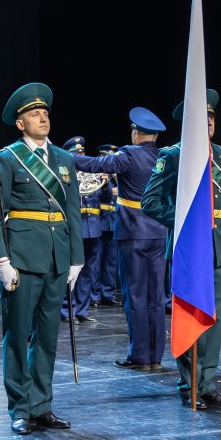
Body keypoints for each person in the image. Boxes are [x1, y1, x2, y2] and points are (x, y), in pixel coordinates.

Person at [0, 82, 83, 435]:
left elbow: (73, 212)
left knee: (47, 336)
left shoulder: (64, 160)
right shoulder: (6, 158)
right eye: (34, 114)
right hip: (22, 259)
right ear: (20, 123)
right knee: (17, 334)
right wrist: (2, 260)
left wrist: (76, 258)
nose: (43, 118)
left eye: (45, 113)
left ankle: (42, 405)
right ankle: (20, 408)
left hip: (57, 257)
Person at [142, 89, 221, 409]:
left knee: (214, 317)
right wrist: (186, 221)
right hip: (189, 247)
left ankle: (207, 383)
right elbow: (150, 202)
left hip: (219, 247)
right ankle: (190, 385)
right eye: (203, 117)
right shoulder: (173, 155)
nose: (209, 121)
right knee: (190, 314)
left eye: (212, 116)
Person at [72, 108, 169, 371]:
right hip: (159, 232)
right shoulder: (166, 156)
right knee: (156, 295)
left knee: (135, 293)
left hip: (133, 232)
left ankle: (139, 355)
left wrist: (61, 156)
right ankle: (155, 355)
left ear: (136, 133)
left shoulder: (128, 155)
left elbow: (94, 164)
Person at [60, 136, 98, 323]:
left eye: (82, 154)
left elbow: (102, 196)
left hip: (92, 228)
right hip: (74, 228)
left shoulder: (91, 175)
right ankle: (67, 311)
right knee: (70, 271)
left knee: (88, 271)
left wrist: (105, 183)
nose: (80, 157)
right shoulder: (64, 174)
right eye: (77, 154)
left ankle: (82, 311)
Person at [93, 144, 121, 307]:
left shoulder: (119, 178)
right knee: (97, 260)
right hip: (100, 220)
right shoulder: (97, 177)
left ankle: (108, 293)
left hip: (114, 221)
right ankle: (95, 294)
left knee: (111, 260)